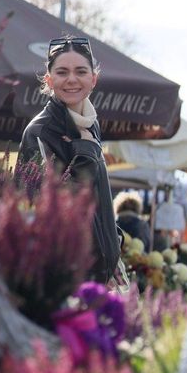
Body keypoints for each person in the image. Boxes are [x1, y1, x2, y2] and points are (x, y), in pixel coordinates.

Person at [17, 35, 120, 283]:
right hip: (63, 279)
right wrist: (85, 154)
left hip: (98, 277)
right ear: (49, 80)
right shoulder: (40, 132)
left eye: (81, 71)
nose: (72, 79)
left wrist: (112, 238)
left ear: (93, 79)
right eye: (62, 72)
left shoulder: (90, 124)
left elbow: (97, 199)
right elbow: (52, 208)